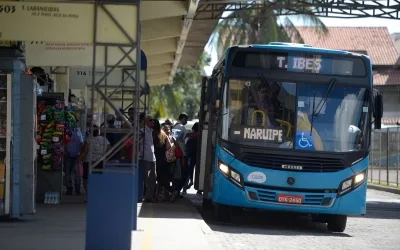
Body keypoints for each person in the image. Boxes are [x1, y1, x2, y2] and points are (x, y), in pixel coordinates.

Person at [78, 126, 110, 202]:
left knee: (86, 179)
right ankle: (98, 195)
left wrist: (79, 159)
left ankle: (89, 195)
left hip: (89, 162)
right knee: (98, 179)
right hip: (100, 162)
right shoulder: (105, 139)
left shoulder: (88, 140)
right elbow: (109, 149)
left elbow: (85, 152)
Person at [138, 113, 157, 202]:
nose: (152, 121)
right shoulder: (142, 131)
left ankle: (149, 197)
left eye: (152, 120)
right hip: (145, 158)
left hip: (152, 158)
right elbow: (138, 143)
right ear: (145, 121)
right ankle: (143, 196)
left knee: (152, 179)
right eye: (150, 120)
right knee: (146, 179)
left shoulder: (151, 131)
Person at [152, 119, 172, 201]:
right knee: (162, 178)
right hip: (162, 158)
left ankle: (156, 195)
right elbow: (169, 146)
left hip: (153, 157)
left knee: (155, 178)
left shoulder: (151, 133)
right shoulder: (163, 134)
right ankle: (165, 194)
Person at [64, 127, 84, 195]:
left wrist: (81, 155)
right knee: (68, 173)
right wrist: (65, 152)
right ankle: (70, 189)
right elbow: (64, 142)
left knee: (76, 173)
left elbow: (81, 143)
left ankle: (76, 189)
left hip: (77, 156)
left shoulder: (78, 131)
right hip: (69, 155)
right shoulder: (67, 130)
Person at [182, 122, 199, 195]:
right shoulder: (199, 138)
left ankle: (185, 188)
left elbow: (186, 147)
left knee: (189, 171)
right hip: (195, 157)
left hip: (190, 157)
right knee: (192, 171)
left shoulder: (190, 137)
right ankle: (196, 187)